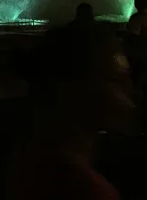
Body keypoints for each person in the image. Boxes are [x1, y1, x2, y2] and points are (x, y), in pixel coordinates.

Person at [8, 23, 133, 200]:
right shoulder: (85, 188)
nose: (129, 93)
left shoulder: (31, 160)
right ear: (72, 88)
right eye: (115, 80)